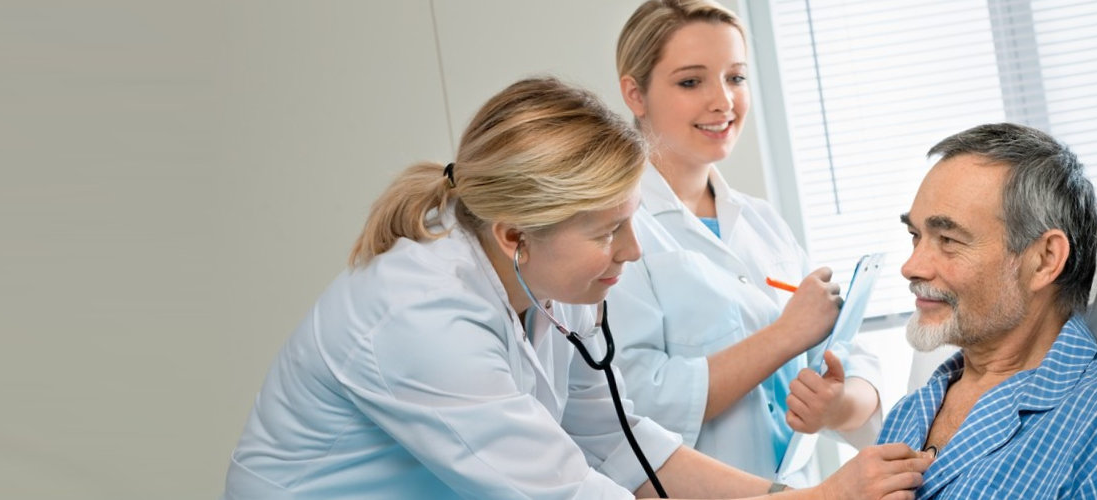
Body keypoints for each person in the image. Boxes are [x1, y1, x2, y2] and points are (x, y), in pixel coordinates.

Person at [223, 77, 929, 499]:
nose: (632, 250)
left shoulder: (552, 288)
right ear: (513, 233)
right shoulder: (419, 319)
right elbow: (568, 490)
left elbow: (621, 442)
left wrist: (796, 496)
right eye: (607, 232)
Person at [607, 0, 885, 482]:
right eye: (691, 81)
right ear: (635, 93)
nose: (723, 101)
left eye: (735, 77)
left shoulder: (762, 222)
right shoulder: (618, 228)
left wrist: (837, 404)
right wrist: (784, 336)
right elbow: (638, 403)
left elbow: (847, 358)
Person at [880, 123, 1097, 498]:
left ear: (1044, 260)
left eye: (948, 240)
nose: (912, 266)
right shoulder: (909, 414)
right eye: (916, 236)